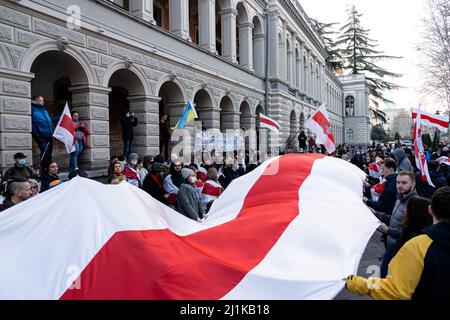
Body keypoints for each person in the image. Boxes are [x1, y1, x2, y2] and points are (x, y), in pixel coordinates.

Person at [346, 187, 450, 300]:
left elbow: (395, 291)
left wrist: (355, 283)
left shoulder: (418, 245)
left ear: (430, 210)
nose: (405, 211)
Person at [375, 171, 418, 277]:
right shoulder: (400, 198)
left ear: (413, 184)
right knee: (383, 275)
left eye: (404, 183)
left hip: (401, 250)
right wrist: (375, 213)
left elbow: (410, 233)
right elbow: (394, 219)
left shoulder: (414, 203)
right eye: (398, 182)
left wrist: (388, 230)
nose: (400, 185)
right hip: (391, 247)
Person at [31, 95, 54, 166]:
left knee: (49, 152)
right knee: (45, 151)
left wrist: (60, 117)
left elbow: (50, 119)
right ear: (36, 101)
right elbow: (30, 121)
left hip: (49, 134)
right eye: (41, 100)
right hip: (40, 135)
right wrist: (35, 133)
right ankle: (43, 168)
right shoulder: (32, 109)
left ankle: (49, 168)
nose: (43, 102)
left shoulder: (44, 110)